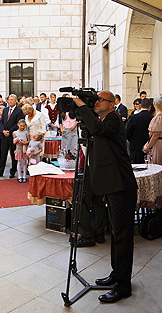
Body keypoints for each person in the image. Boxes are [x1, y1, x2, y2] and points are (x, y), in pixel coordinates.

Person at [72, 91, 138, 303]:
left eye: (101, 100)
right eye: (96, 99)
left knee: (122, 236)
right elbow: (94, 134)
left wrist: (82, 106)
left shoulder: (113, 120)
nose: (97, 102)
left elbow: (98, 129)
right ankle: (116, 275)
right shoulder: (103, 120)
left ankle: (123, 286)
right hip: (112, 185)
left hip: (121, 186)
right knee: (116, 234)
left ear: (112, 104)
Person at [0, 95, 24, 178]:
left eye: (12, 100)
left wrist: (9, 131)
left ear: (15, 101)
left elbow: (17, 124)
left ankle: (13, 171)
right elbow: (1, 122)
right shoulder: (5, 109)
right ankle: (0, 171)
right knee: (3, 153)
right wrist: (3, 130)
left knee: (13, 154)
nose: (10, 101)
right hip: (4, 135)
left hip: (13, 135)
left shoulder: (19, 111)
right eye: (9, 100)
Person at [126, 98, 153, 163]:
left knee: (135, 168)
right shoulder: (152, 118)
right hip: (148, 147)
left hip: (135, 147)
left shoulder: (133, 117)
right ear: (150, 107)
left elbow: (127, 132)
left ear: (141, 106)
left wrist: (132, 140)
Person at [144, 95, 162, 165]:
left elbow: (155, 136)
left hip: (158, 145)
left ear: (154, 104)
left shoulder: (158, 118)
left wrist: (147, 147)